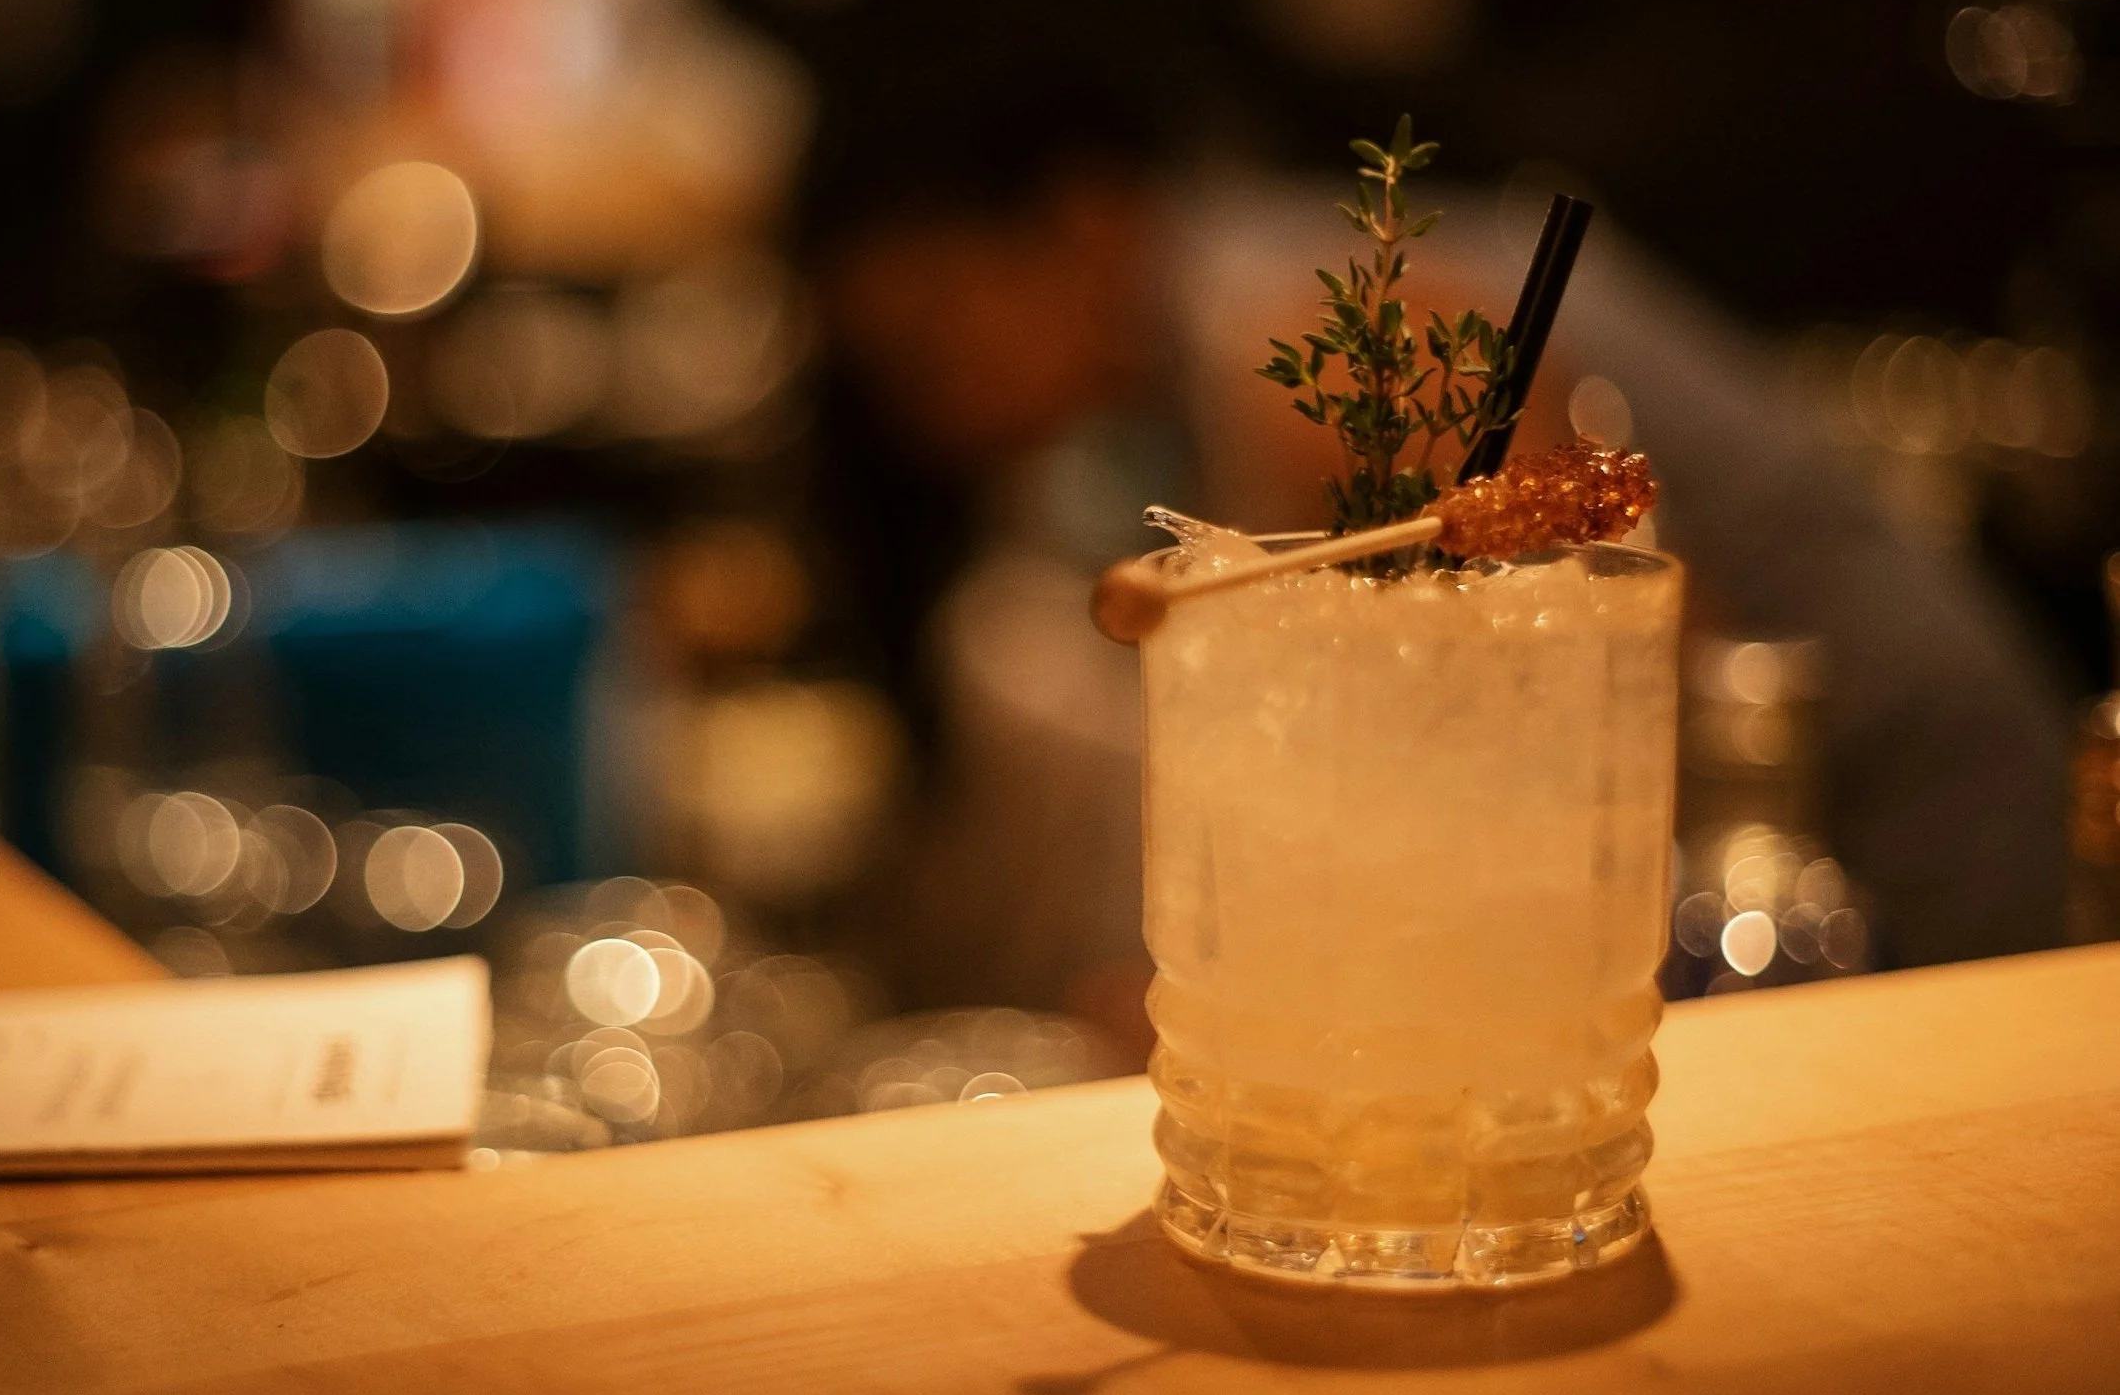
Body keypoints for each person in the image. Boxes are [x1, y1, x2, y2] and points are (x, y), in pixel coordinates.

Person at [800, 80, 2073, 1050]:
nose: (932, 416)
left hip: (1898, 850)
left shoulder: (1311, 335)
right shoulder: (1177, 364)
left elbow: (1615, 689)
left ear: (1080, 222)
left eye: (934, 341)